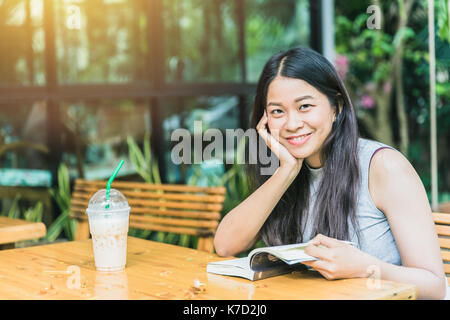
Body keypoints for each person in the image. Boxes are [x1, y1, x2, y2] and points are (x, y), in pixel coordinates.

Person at [213, 46, 447, 299]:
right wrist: (286, 172)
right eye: (277, 111)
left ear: (336, 107)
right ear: (265, 120)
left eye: (304, 106)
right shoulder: (286, 168)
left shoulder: (384, 167)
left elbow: (435, 288)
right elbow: (225, 245)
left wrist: (365, 268)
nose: (292, 124)